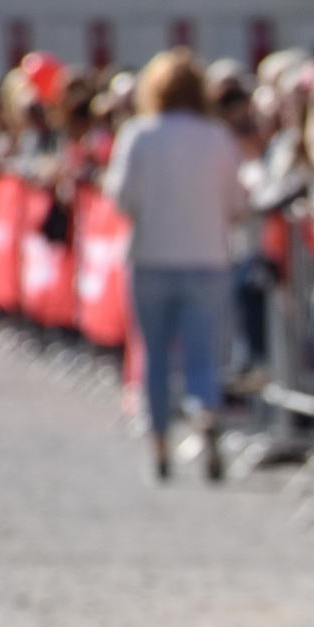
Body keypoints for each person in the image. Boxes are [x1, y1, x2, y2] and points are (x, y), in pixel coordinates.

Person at [103, 47, 244, 482]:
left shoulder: (139, 135)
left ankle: (160, 445)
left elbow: (121, 198)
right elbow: (237, 201)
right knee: (202, 358)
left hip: (152, 257)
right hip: (207, 258)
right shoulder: (217, 137)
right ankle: (204, 410)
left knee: (156, 358)